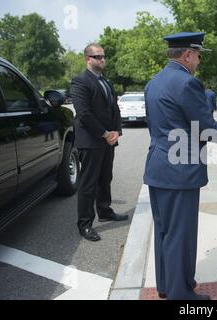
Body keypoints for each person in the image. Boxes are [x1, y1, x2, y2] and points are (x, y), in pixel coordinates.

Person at [143, 32, 217, 300]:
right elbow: (204, 127)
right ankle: (181, 295)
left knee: (165, 232)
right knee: (180, 234)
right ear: (188, 54)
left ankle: (168, 286)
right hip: (180, 170)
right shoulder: (187, 83)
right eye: (199, 55)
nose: (199, 62)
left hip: (159, 166)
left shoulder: (153, 83)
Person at [70, 43, 128, 242]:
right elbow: (84, 114)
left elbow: (114, 109)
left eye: (103, 56)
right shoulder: (80, 81)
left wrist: (117, 131)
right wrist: (104, 133)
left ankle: (105, 210)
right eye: (98, 57)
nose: (102, 60)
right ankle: (85, 224)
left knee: (105, 178)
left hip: (108, 141)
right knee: (88, 184)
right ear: (88, 59)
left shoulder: (106, 81)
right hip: (91, 141)